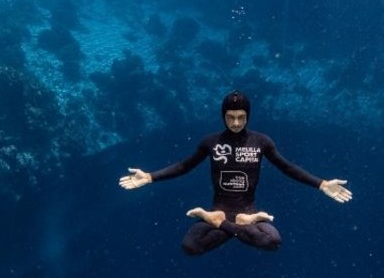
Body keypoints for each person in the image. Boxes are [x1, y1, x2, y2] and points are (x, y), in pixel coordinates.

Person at [118, 90, 352, 256]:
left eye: (241, 117)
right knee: (190, 247)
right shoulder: (210, 143)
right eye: (231, 117)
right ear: (223, 116)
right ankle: (219, 221)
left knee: (273, 242)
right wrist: (149, 177)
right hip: (219, 211)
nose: (236, 122)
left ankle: (227, 223)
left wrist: (321, 184)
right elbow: (184, 166)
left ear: (248, 116)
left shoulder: (261, 142)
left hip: (248, 214)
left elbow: (287, 167)